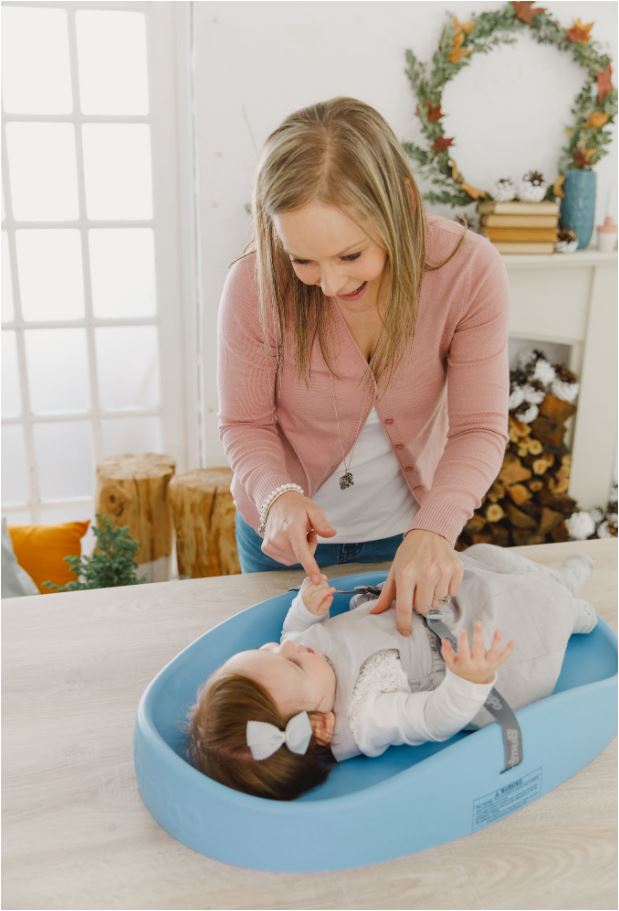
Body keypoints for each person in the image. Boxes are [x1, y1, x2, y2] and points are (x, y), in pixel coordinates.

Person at [217, 96, 511, 635]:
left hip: (408, 536)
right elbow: (245, 423)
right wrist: (277, 496)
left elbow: (479, 428)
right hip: (285, 546)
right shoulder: (253, 283)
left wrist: (436, 530)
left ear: (399, 200)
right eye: (302, 259)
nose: (329, 284)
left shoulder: (467, 270)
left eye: (350, 256)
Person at [187, 544, 597, 800]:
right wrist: (468, 680)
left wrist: (306, 609)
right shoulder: (367, 717)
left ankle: (558, 580)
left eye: (268, 649)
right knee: (528, 617)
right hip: (462, 655)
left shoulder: (304, 664)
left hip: (435, 606)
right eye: (288, 658)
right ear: (323, 727)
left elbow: (294, 633)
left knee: (484, 559)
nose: (287, 644)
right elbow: (433, 719)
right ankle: (574, 613)